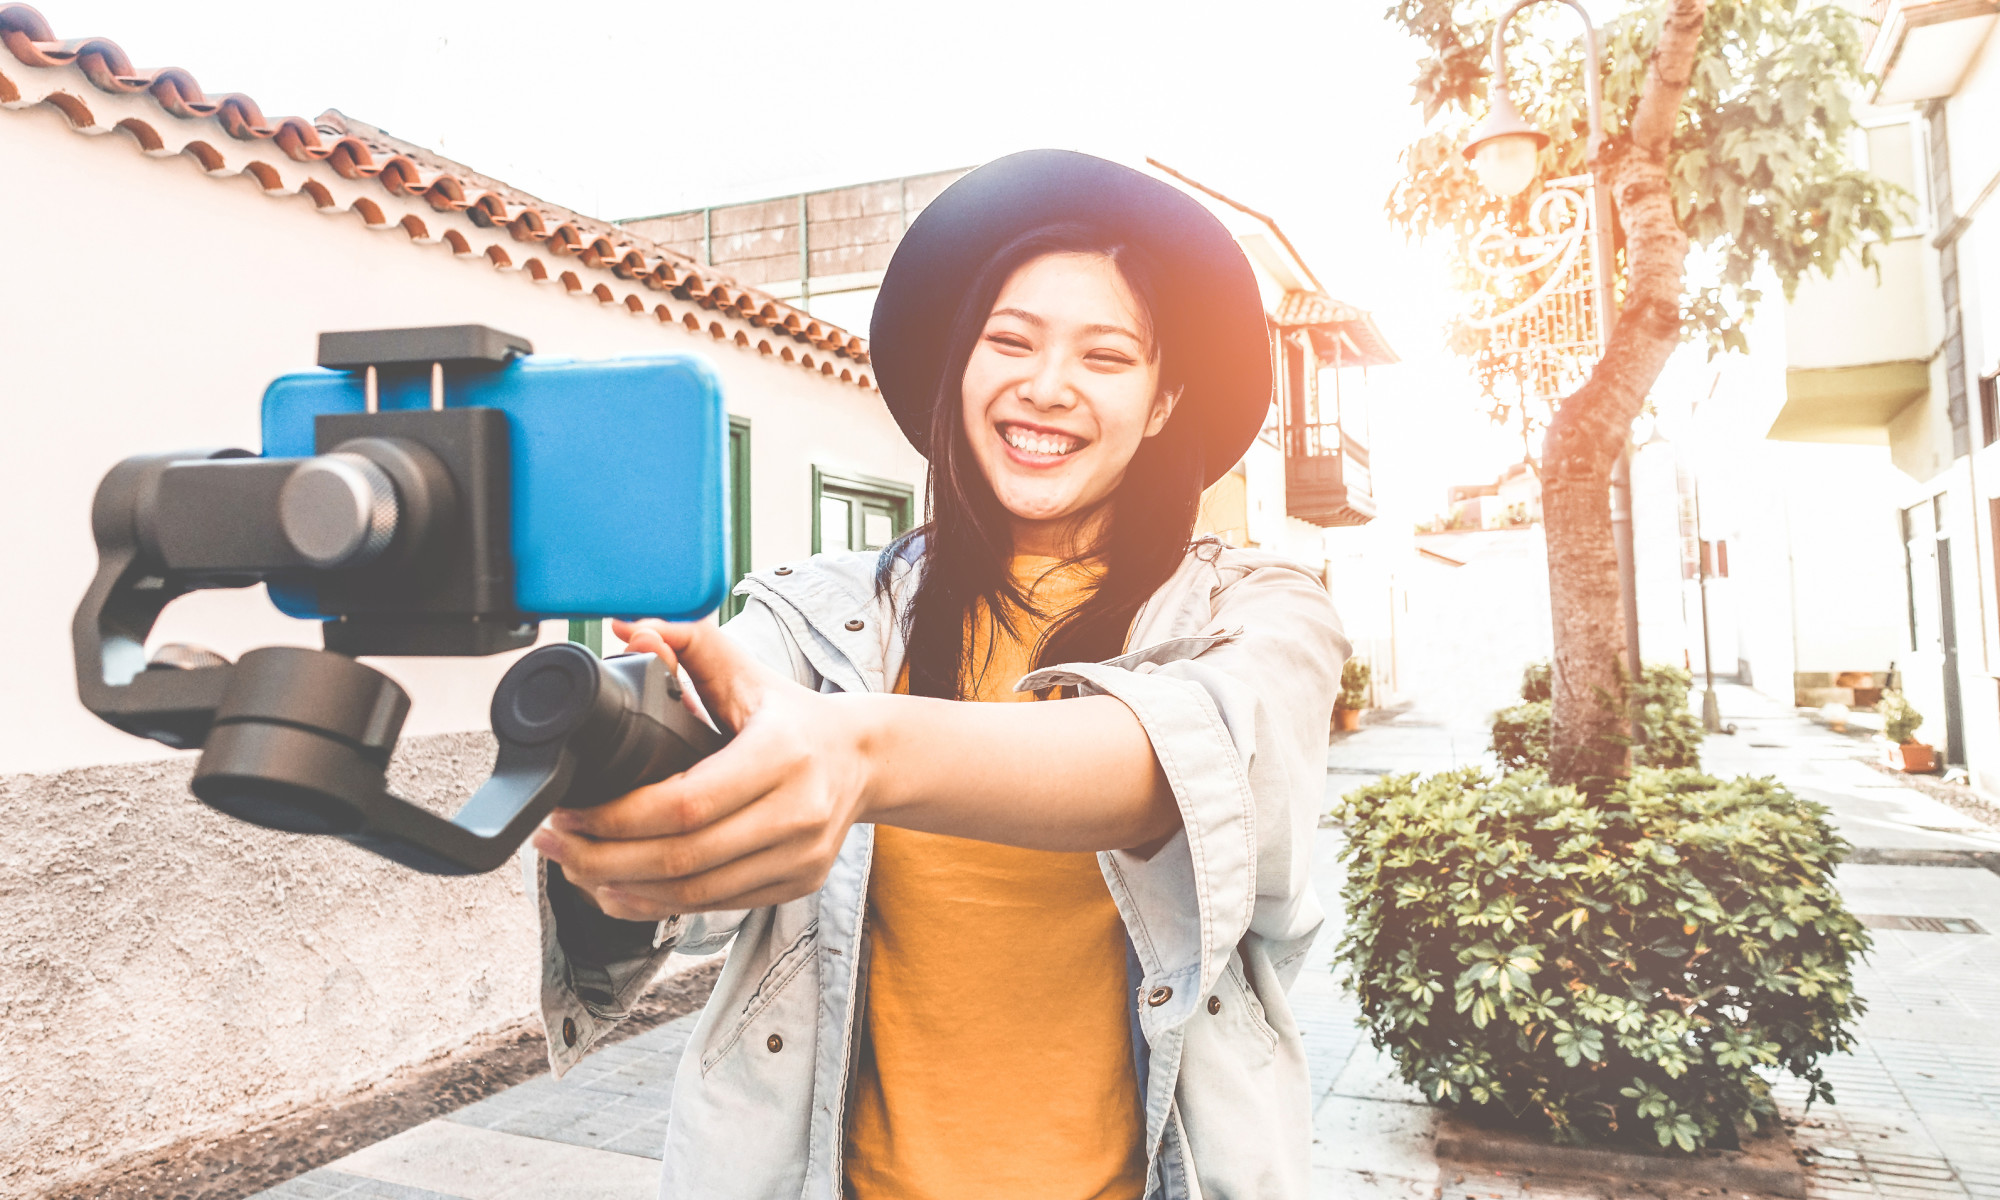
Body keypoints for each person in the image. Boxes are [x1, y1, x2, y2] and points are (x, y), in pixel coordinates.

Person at [527, 149, 1348, 1200]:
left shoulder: (1258, 611)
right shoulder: (815, 614)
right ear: (961, 368)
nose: (1044, 387)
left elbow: (1189, 764)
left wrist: (863, 754)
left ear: (1158, 404)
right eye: (1008, 341)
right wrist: (629, 801)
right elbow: (699, 883)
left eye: (1105, 357)